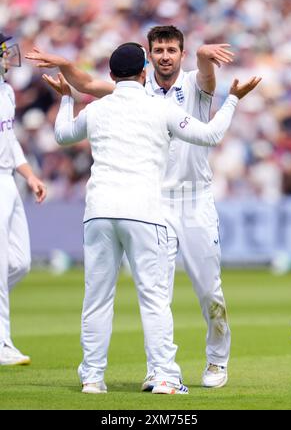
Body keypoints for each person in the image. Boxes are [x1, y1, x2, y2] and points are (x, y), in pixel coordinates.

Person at [26, 26, 259, 389]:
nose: (165, 55)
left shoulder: (197, 81)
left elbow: (207, 73)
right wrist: (67, 63)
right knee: (156, 293)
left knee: (209, 290)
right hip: (153, 203)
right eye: (159, 50)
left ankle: (216, 360)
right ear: (148, 59)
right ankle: (158, 370)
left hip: (195, 200)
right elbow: (87, 83)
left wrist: (202, 53)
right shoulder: (138, 90)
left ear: (181, 55)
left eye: (172, 49)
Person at [0, 32, 47, 366]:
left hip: (9, 180)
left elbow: (10, 139)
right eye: (3, 52)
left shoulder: (6, 90)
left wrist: (29, 175)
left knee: (19, 263)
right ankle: (2, 344)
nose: (8, 56)